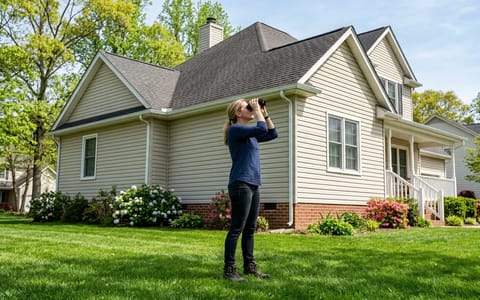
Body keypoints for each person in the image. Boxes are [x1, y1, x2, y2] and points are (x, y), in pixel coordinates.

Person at [222, 98, 278, 281]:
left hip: (253, 184)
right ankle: (229, 270)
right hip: (241, 183)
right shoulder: (236, 130)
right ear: (238, 113)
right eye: (246, 107)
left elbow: (272, 133)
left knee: (250, 229)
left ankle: (249, 266)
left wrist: (264, 112)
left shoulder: (249, 134)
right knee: (236, 228)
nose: (250, 108)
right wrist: (257, 111)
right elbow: (262, 128)